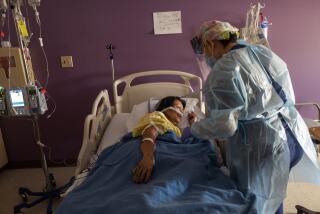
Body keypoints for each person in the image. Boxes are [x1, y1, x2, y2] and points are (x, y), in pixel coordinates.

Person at [190, 20, 318, 214]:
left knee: (255, 203)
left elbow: (226, 126)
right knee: (274, 193)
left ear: (211, 43)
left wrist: (195, 128)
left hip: (262, 145)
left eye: (204, 49)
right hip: (293, 134)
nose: (206, 56)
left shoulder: (224, 70)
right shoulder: (263, 53)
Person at [131, 96, 197, 184]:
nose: (180, 114)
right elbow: (151, 131)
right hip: (149, 151)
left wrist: (193, 123)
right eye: (177, 108)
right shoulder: (158, 116)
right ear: (166, 108)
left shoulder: (175, 129)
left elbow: (187, 138)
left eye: (182, 111)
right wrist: (148, 156)